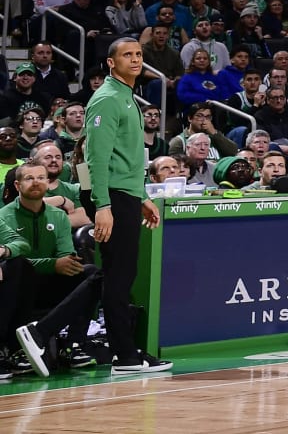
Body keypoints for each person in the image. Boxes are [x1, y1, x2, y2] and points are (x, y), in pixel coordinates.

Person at [81, 36, 169, 374]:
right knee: (119, 275)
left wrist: (142, 196)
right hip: (110, 195)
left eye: (138, 54)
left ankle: (123, 349)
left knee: (121, 273)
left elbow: (128, 158)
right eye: (127, 55)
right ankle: (124, 355)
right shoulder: (106, 99)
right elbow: (97, 159)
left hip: (124, 194)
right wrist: (103, 205)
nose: (135, 60)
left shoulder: (127, 96)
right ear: (110, 62)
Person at [2, 160, 102, 378]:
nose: (36, 182)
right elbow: (18, 260)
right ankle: (14, 346)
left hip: (50, 282)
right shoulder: (4, 216)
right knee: (17, 265)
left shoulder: (58, 216)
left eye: (40, 178)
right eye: (29, 178)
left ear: (48, 183)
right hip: (18, 288)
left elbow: (64, 256)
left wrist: (65, 261)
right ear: (18, 186)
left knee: (91, 272)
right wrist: (53, 264)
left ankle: (73, 344)